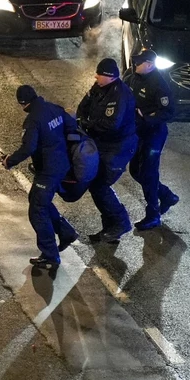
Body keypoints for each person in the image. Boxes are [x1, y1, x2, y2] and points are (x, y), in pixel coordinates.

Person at [3, 85, 80, 273]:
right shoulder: (54, 108)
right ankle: (65, 233)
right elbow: (71, 127)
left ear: (23, 103)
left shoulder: (32, 120)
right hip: (62, 165)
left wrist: (9, 161)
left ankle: (50, 255)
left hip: (48, 171)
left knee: (37, 209)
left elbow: (28, 147)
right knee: (37, 200)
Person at [77, 58, 137, 243]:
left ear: (110, 77)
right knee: (96, 184)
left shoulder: (120, 95)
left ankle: (120, 223)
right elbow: (83, 106)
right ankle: (110, 230)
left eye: (100, 74)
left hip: (119, 147)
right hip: (102, 143)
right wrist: (81, 120)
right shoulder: (98, 87)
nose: (96, 76)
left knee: (100, 185)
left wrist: (87, 124)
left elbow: (111, 124)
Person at [124, 50, 179, 230]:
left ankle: (153, 214)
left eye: (138, 62)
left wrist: (146, 117)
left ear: (149, 64)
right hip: (137, 133)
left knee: (148, 172)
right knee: (135, 171)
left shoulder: (159, 84)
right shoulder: (132, 78)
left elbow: (168, 112)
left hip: (154, 134)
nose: (134, 64)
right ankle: (166, 195)